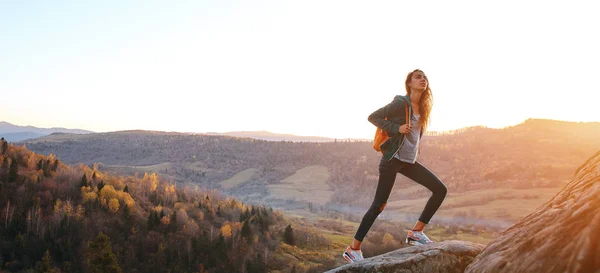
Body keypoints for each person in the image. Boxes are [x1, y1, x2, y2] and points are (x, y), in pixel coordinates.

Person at [342, 69, 448, 263]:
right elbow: (373, 117)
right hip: (392, 160)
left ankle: (416, 232)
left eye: (425, 77)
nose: (423, 80)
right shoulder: (401, 103)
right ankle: (353, 249)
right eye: (418, 77)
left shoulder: (422, 108)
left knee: (440, 189)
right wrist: (396, 128)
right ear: (409, 82)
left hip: (408, 162)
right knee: (379, 205)